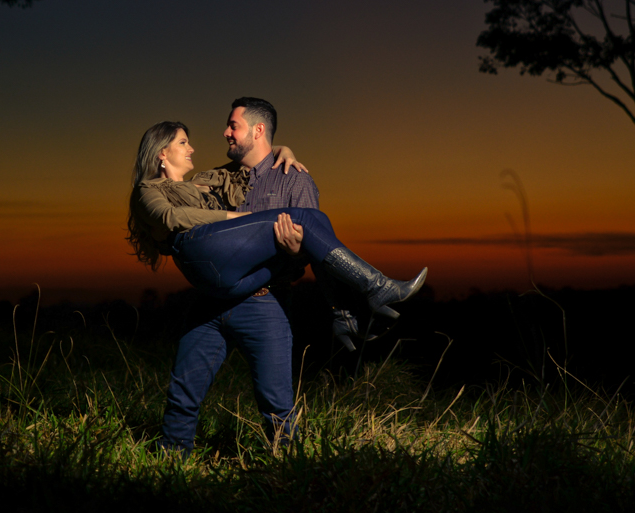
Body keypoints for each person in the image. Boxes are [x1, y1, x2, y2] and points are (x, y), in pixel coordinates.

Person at [128, 108, 427, 454]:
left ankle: (285, 464)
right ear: (161, 152)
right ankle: (372, 290)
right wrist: (235, 217)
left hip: (254, 292)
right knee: (184, 392)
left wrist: (281, 150)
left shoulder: (213, 181)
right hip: (209, 286)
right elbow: (170, 217)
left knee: (276, 403)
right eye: (183, 142)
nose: (193, 147)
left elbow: (251, 164)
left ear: (257, 131)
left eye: (233, 126)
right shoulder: (150, 189)